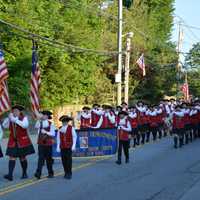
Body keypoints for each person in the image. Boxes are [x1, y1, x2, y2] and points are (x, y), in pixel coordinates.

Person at [3, 105, 35, 181]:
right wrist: (8, 119)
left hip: (22, 141)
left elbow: (25, 125)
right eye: (13, 111)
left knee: (22, 157)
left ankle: (24, 173)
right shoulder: (11, 119)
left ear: (20, 112)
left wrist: (15, 120)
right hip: (13, 141)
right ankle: (10, 175)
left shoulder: (24, 118)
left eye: (16, 111)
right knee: (12, 157)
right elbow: (4, 126)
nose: (15, 112)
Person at [34, 110, 56, 179]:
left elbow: (53, 133)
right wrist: (38, 119)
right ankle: (38, 173)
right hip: (41, 143)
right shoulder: (39, 123)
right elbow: (36, 126)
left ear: (47, 116)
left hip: (48, 143)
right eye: (42, 115)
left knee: (48, 159)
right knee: (40, 158)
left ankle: (51, 173)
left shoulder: (51, 124)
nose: (43, 116)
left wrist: (46, 132)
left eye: (44, 115)